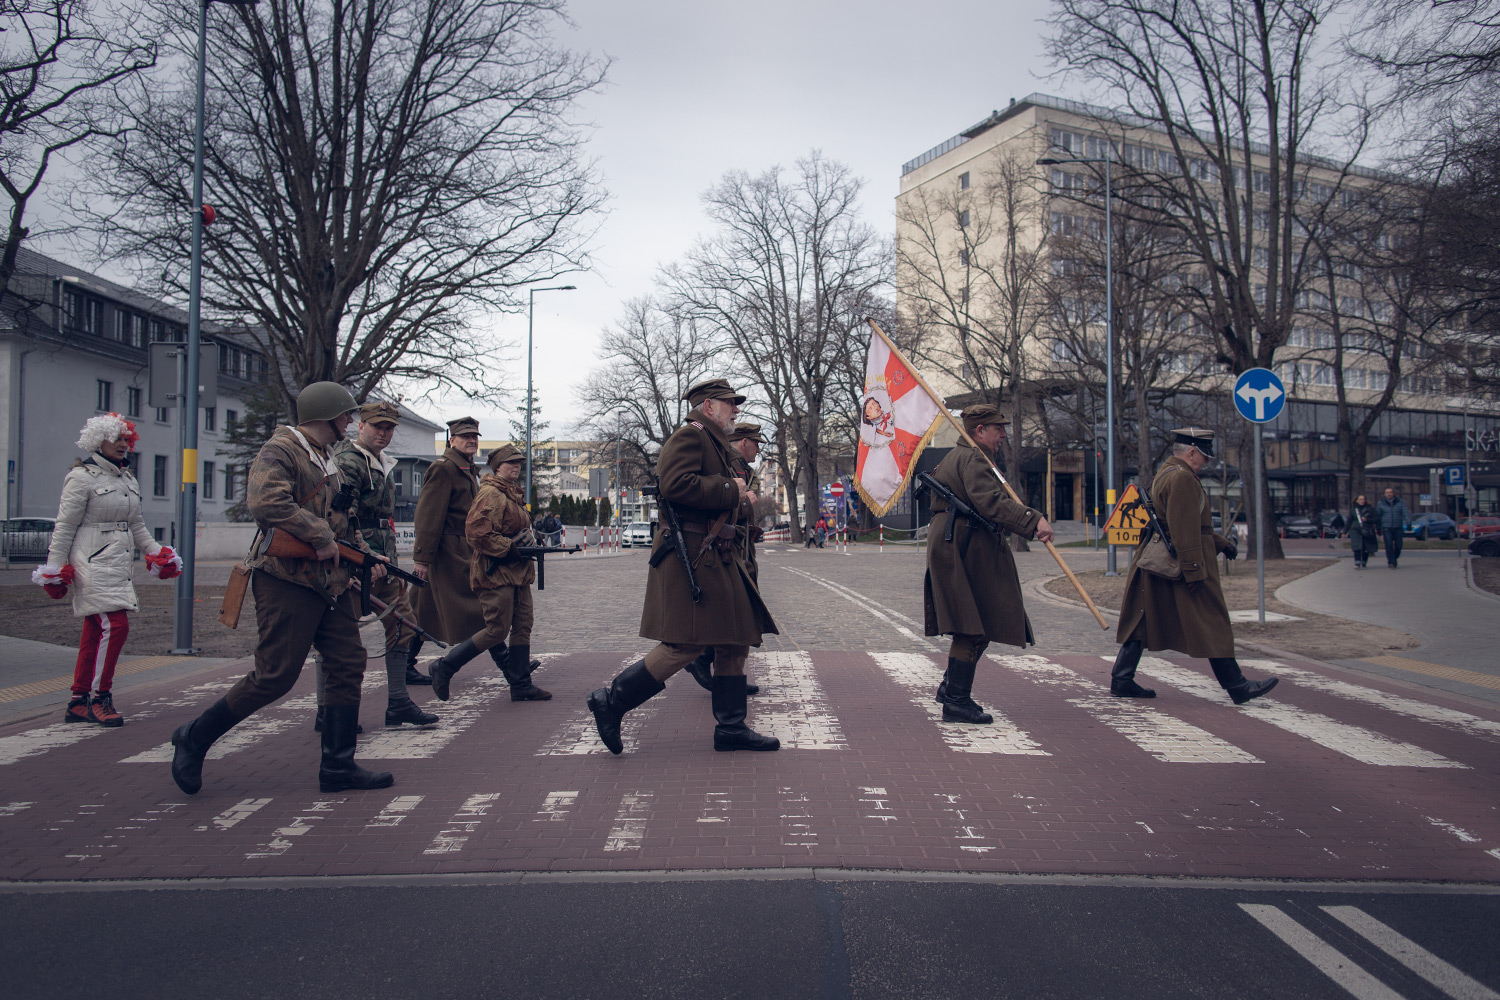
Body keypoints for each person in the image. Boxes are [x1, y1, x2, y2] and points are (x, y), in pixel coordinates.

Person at [169, 382, 394, 796]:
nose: (350, 421)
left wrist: (363, 557)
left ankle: (338, 767)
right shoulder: (282, 450)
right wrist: (320, 534)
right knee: (275, 676)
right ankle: (195, 736)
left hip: (331, 581)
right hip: (286, 578)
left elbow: (343, 518)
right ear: (325, 415)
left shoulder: (328, 457)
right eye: (345, 414)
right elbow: (267, 503)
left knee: (348, 662)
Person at [587, 379, 780, 754]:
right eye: (730, 404)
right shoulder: (690, 437)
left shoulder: (714, 442)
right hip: (694, 553)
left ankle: (731, 728)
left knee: (734, 638)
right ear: (709, 406)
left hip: (716, 553)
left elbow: (716, 495)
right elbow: (676, 485)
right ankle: (612, 701)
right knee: (685, 645)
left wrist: (737, 500)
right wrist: (730, 490)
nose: (736, 410)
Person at [1108, 427, 1279, 704]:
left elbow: (1182, 523)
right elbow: (1183, 529)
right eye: (1204, 456)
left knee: (1143, 618)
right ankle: (1237, 686)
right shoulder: (1183, 479)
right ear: (1190, 452)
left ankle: (1122, 678)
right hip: (1180, 563)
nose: (1207, 462)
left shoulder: (1166, 472)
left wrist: (1222, 543)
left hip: (1157, 561)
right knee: (1213, 621)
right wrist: (1195, 570)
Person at [36, 413, 181, 727]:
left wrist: (159, 554)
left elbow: (137, 525)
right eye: (118, 438)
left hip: (118, 565)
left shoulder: (127, 478)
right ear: (97, 440)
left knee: (96, 631)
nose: (124, 445)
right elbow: (64, 527)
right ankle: (101, 698)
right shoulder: (81, 477)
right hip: (91, 563)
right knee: (115, 626)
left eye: (127, 440)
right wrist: (54, 569)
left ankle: (78, 701)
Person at [923, 405, 1054, 723]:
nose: (1003, 434)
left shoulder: (963, 456)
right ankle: (956, 701)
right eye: (998, 429)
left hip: (962, 543)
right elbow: (990, 502)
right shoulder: (973, 458)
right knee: (972, 624)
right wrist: (1032, 520)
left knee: (977, 621)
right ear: (979, 431)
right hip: (964, 546)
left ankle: (950, 689)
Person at [411, 419, 542, 695]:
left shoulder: (467, 469)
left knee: (487, 616)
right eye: (465, 436)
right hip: (450, 552)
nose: (471, 440)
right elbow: (428, 515)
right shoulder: (444, 468)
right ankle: (427, 665)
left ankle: (513, 671)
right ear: (452, 439)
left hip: (469, 549)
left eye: (474, 436)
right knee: (475, 615)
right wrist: (423, 557)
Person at [329, 400, 438, 729]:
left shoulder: (378, 460)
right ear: (360, 426)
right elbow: (340, 515)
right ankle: (326, 711)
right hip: (352, 560)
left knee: (403, 622)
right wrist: (361, 557)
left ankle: (399, 703)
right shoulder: (349, 461)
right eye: (378, 426)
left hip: (383, 559)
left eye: (389, 427)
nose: (384, 433)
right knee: (339, 635)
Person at [682, 422, 765, 696]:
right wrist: (745, 504)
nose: (758, 449)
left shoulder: (744, 469)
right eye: (756, 443)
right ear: (744, 443)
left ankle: (728, 680)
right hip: (726, 548)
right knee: (733, 618)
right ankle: (707, 663)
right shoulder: (729, 465)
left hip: (739, 547)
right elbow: (719, 506)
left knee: (735, 618)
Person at [1376, 487, 1409, 569]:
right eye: (1387, 492)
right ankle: (1391, 562)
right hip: (1386, 527)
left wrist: (1409, 522)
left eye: (1390, 492)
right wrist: (1378, 527)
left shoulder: (1400, 502)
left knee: (1399, 545)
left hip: (1398, 526)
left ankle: (1394, 557)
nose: (1389, 494)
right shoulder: (1381, 503)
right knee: (1389, 544)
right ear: (1384, 494)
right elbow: (1378, 516)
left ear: (1393, 493)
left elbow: (1405, 512)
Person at [1348, 493, 1377, 570]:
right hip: (1355, 529)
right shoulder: (1354, 509)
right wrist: (1345, 531)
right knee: (1356, 545)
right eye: (1360, 499)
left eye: (1363, 499)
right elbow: (1349, 520)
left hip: (1367, 529)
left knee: (1365, 546)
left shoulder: (1370, 508)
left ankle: (1364, 561)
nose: (1362, 501)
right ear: (1357, 501)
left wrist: (1368, 520)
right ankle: (1357, 561)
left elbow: (1376, 519)